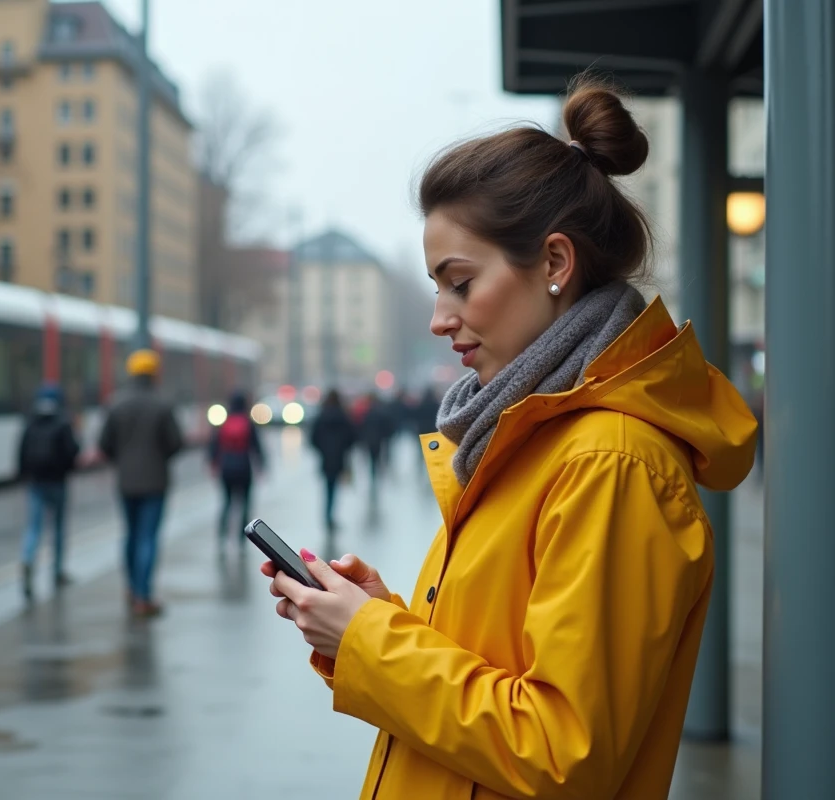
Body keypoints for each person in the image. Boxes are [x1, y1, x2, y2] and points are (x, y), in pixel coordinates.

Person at [260, 77, 758, 799]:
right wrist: (374, 619)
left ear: (555, 263)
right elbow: (494, 669)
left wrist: (370, 641)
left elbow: (563, 751)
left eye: (459, 283)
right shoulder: (528, 435)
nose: (439, 317)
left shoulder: (610, 463)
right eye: (436, 287)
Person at [99, 350, 182, 617]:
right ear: (154, 373)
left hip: (126, 482)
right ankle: (143, 596)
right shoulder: (162, 405)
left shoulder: (116, 404)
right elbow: (176, 443)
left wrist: (122, 460)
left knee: (131, 535)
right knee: (148, 537)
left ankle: (131, 587)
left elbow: (104, 445)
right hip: (155, 482)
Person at [17, 384, 81, 600]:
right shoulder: (63, 422)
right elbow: (73, 451)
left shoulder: (31, 421)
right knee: (58, 529)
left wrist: (24, 475)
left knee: (33, 527)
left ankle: (27, 559)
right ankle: (57, 572)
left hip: (36, 483)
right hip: (58, 482)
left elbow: (21, 451)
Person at [209, 392, 265, 550]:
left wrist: (213, 464)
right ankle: (242, 537)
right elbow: (256, 446)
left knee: (227, 502)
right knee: (245, 502)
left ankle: (222, 533)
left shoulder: (224, 422)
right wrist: (261, 465)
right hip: (244, 467)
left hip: (226, 467)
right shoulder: (248, 422)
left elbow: (214, 445)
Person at [308, 389, 357, 532]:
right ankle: (331, 516)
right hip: (339, 458)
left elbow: (313, 439)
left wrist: (323, 450)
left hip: (326, 458)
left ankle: (327, 515)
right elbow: (352, 437)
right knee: (334, 488)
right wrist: (342, 448)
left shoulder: (321, 416)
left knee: (327, 487)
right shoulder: (344, 416)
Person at [356, 393, 393, 500]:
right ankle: (375, 475)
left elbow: (361, 427)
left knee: (372, 459)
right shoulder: (381, 412)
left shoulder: (367, 413)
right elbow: (387, 427)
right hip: (378, 440)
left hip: (369, 440)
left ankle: (373, 475)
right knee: (376, 459)